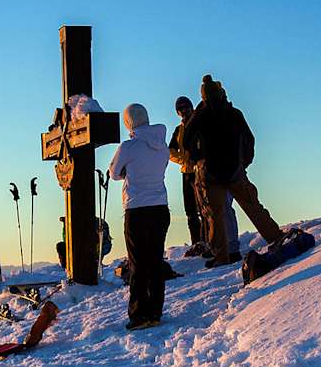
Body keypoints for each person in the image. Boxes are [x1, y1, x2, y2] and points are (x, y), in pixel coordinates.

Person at [182, 75, 286, 267]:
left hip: (211, 175)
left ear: (204, 97)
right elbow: (249, 139)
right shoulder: (234, 113)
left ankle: (221, 256)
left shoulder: (201, 117)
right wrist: (244, 162)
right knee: (253, 207)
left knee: (215, 216)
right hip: (235, 171)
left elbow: (186, 141)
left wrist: (199, 158)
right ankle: (275, 237)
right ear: (221, 93)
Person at [107, 102, 171, 330]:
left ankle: (138, 315)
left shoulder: (128, 147)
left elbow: (114, 173)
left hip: (136, 210)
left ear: (128, 122)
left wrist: (127, 171)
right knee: (154, 260)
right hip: (160, 208)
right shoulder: (162, 146)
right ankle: (155, 312)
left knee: (138, 263)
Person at [167, 95, 207, 256]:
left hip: (200, 171)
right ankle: (196, 242)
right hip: (186, 173)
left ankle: (207, 240)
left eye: (186, 107)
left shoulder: (199, 125)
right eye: (181, 109)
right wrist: (184, 160)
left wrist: (196, 159)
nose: (184, 111)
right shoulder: (179, 130)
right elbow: (170, 151)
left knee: (204, 208)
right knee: (190, 211)